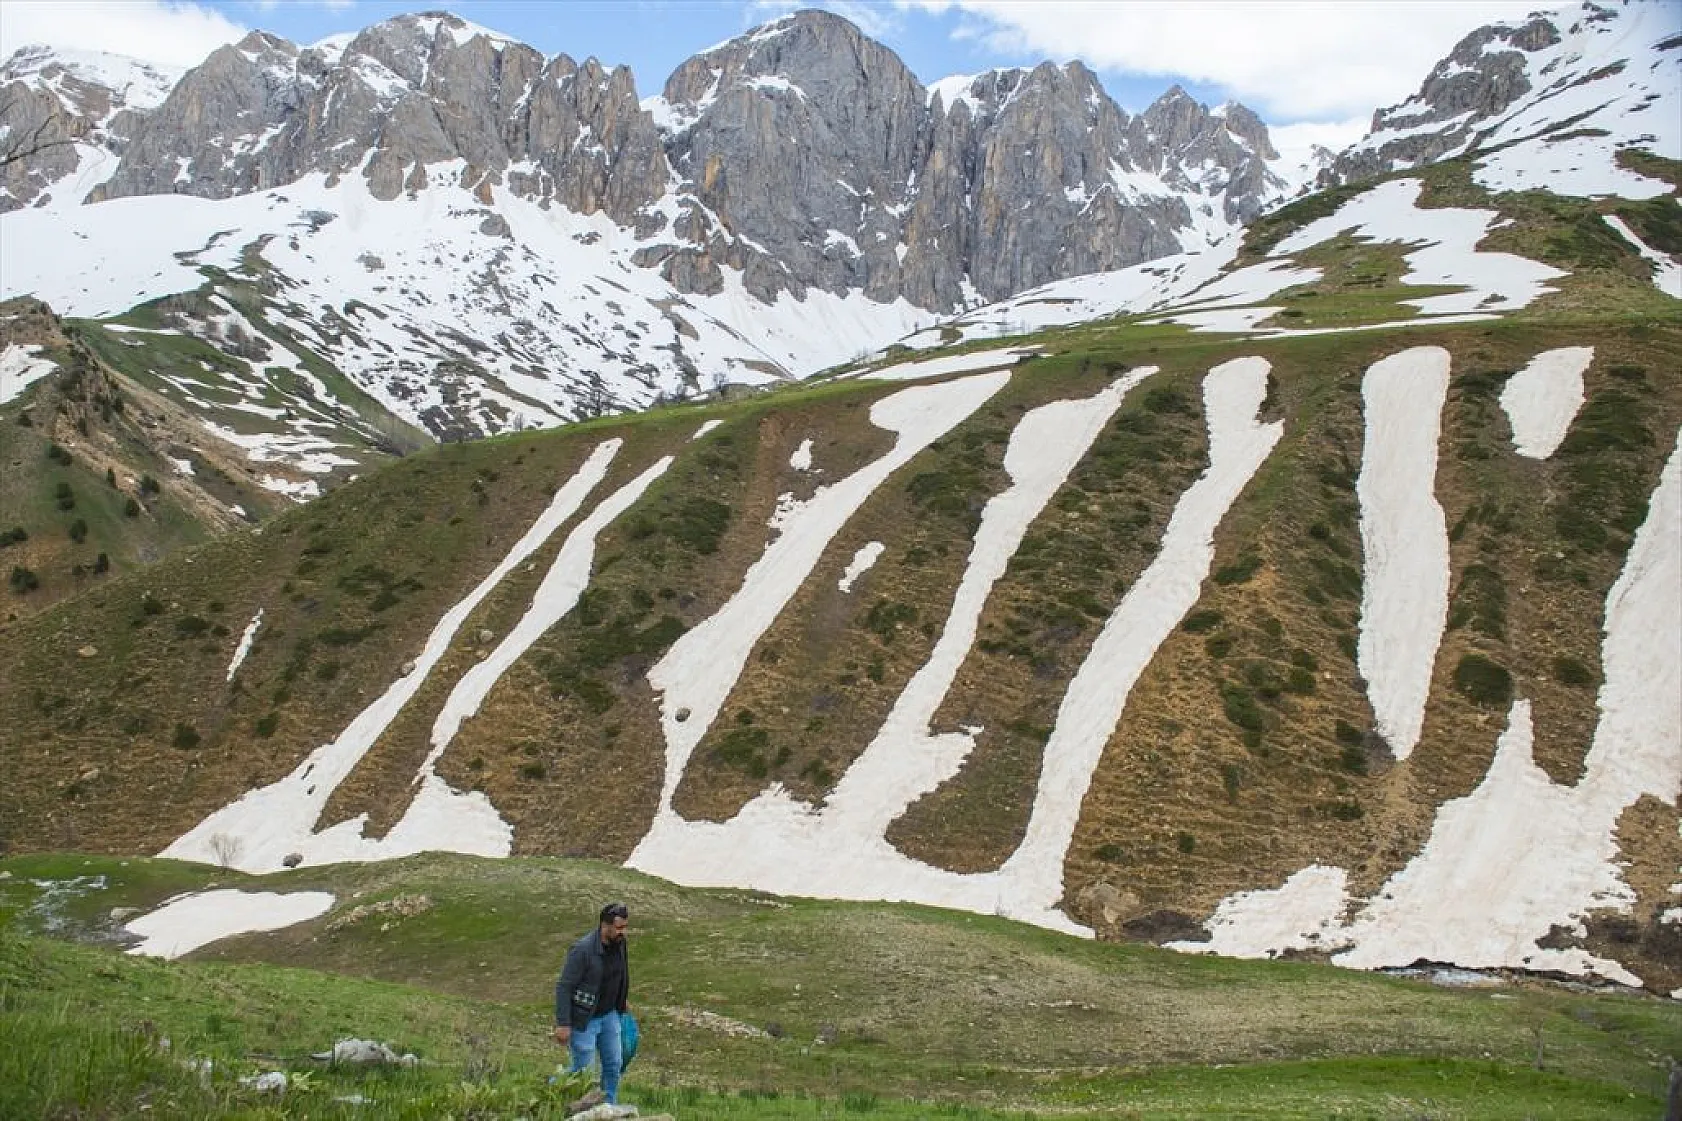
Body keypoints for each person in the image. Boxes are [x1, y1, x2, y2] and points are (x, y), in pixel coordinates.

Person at [554, 901, 631, 1104]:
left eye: (625, 926)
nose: (623, 931)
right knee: (583, 1071)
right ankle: (560, 1094)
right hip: (584, 1020)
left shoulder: (620, 944)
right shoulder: (582, 950)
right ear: (605, 926)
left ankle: (608, 1107)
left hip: (610, 1015)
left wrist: (622, 1000)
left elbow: (620, 973)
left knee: (614, 1064)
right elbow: (564, 986)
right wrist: (563, 1024)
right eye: (619, 927)